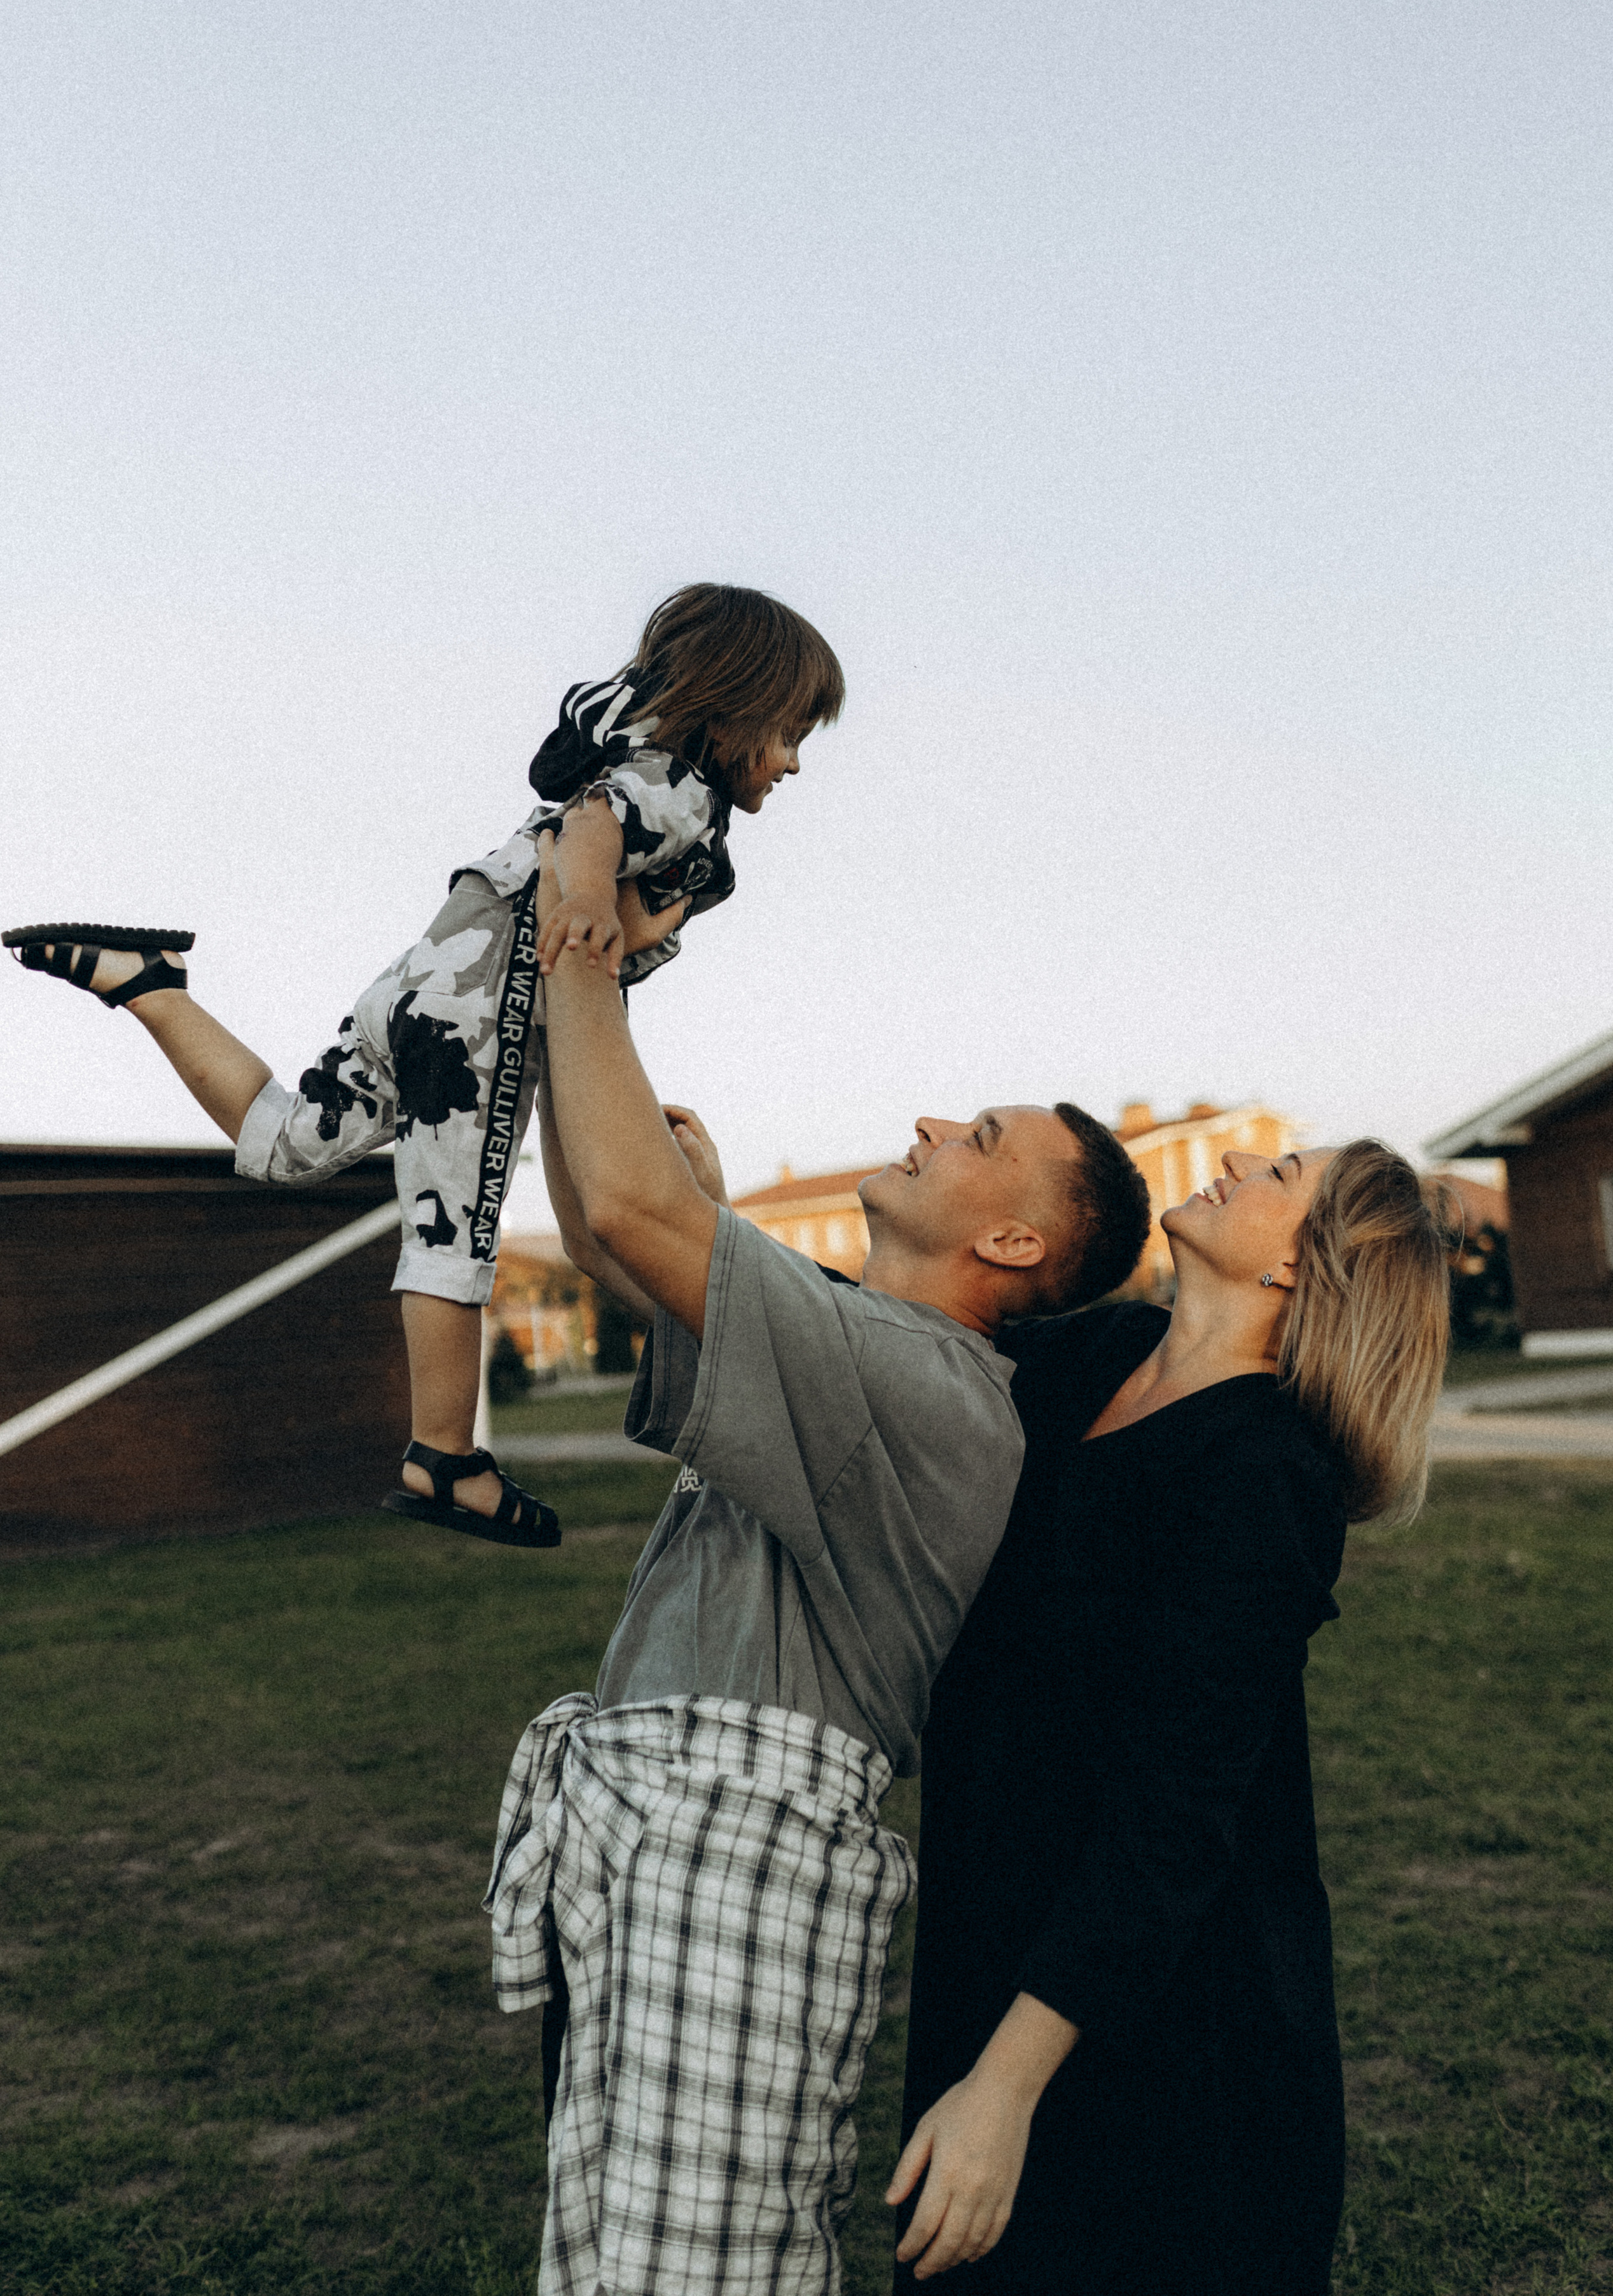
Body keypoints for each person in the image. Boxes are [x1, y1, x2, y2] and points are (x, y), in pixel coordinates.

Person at [481, 835, 1153, 2296]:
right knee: (613, 2266)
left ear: (1019, 1234)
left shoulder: (932, 1389)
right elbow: (621, 1230)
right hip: (668, 1831)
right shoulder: (863, 1348)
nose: (931, 1121)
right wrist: (568, 997)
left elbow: (627, 1214)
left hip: (742, 1849)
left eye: (979, 1135)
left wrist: (582, 942)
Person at [3, 583, 842, 1544]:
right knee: (456, 1226)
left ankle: (149, 984)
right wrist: (591, 908)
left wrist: (626, 916)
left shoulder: (630, 772)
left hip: (424, 984)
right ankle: (446, 1457)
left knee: (285, 1141)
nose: (793, 761)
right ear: (733, 708)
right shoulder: (674, 784)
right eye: (789, 732)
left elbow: (592, 844)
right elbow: (593, 827)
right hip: (481, 1016)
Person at [886, 1139, 1456, 2293]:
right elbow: (908, 1344)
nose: (1243, 1157)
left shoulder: (1266, 1473)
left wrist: (1005, 2088)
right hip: (992, 1932)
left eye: (1284, 1172)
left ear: (1303, 1266)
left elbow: (1174, 1818)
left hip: (1182, 2046)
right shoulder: (1094, 1356)